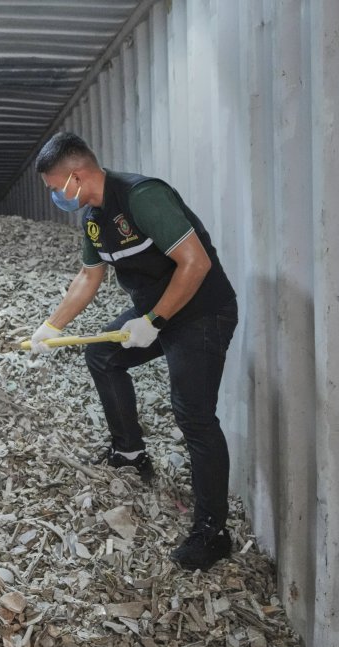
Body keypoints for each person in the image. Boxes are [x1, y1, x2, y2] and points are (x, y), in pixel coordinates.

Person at [29, 132, 238, 571]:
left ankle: (213, 531)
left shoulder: (143, 196)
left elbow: (195, 263)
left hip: (201, 313)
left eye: (54, 188)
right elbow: (89, 277)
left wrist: (154, 322)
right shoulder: (93, 216)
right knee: (103, 355)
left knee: (194, 416)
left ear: (77, 175)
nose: (54, 197)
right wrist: (52, 326)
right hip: (154, 314)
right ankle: (129, 452)